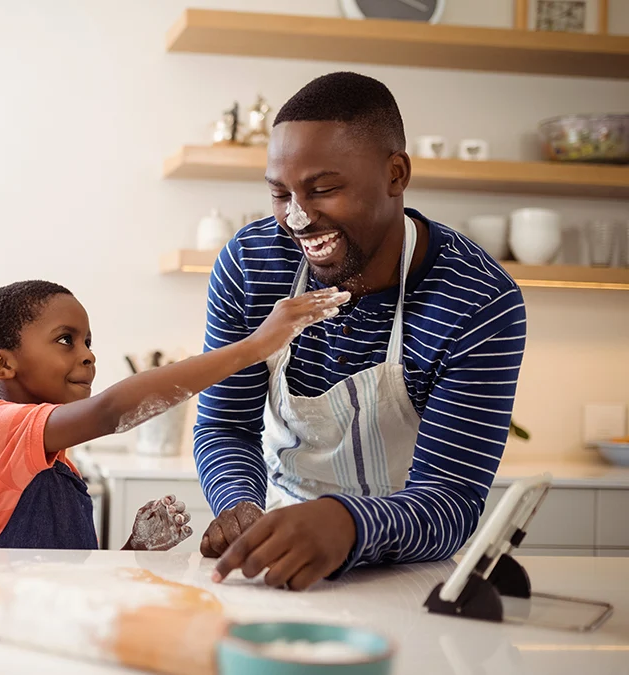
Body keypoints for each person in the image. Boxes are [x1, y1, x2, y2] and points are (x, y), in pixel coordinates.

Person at [195, 72, 528, 589]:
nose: (298, 218)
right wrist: (240, 504)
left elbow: (451, 499)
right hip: (276, 555)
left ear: (396, 174)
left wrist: (346, 524)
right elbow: (226, 426)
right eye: (280, 194)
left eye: (323, 189)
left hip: (410, 570)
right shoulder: (251, 264)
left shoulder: (478, 299)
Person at [0, 280, 349, 549]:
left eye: (88, 342)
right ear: (1, 364)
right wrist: (255, 346)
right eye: (66, 339)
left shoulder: (58, 461)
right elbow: (111, 411)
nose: (88, 354)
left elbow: (73, 573)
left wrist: (135, 548)